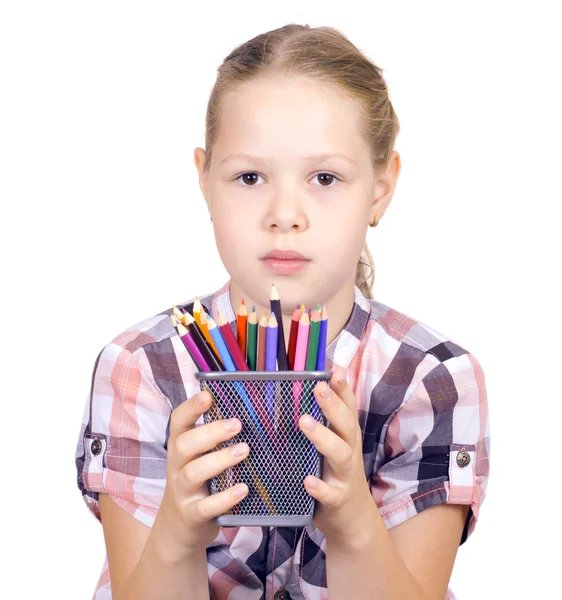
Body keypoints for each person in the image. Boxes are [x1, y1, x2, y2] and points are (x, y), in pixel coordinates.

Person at [74, 23, 490, 600]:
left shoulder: (431, 378)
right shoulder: (144, 366)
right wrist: (176, 533)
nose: (285, 213)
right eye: (250, 176)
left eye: (325, 177)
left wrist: (351, 521)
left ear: (380, 187)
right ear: (204, 180)